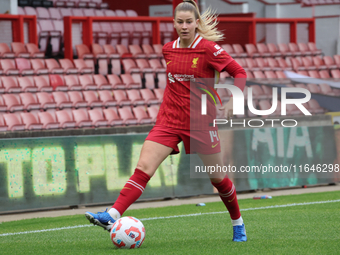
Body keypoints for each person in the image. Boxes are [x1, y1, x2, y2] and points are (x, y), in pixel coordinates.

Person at [85, 0, 247, 242]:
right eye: (179, 22)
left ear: (196, 23)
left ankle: (238, 223)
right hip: (168, 120)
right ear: (173, 23)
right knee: (143, 169)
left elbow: (240, 72)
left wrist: (235, 99)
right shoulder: (168, 49)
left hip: (201, 123)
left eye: (189, 22)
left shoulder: (209, 49)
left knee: (218, 180)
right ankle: (112, 214)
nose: (184, 26)